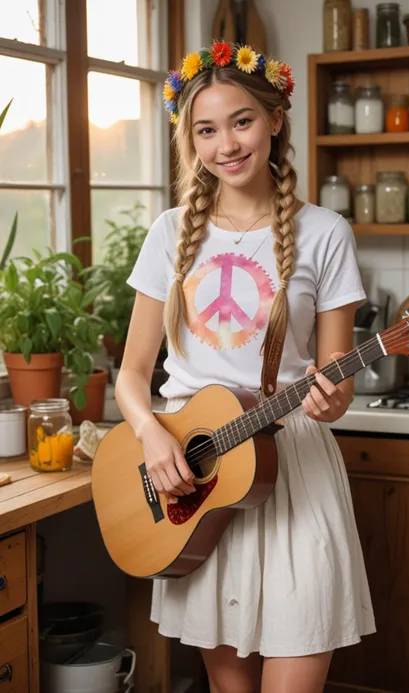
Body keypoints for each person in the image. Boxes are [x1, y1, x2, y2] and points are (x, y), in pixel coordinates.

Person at [116, 41, 375, 693]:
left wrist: (331, 397)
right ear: (191, 139)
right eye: (206, 129)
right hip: (195, 476)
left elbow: (336, 380)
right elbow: (131, 372)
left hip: (295, 475)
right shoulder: (170, 233)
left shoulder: (325, 232)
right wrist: (150, 433)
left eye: (241, 121)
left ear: (275, 120)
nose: (226, 144)